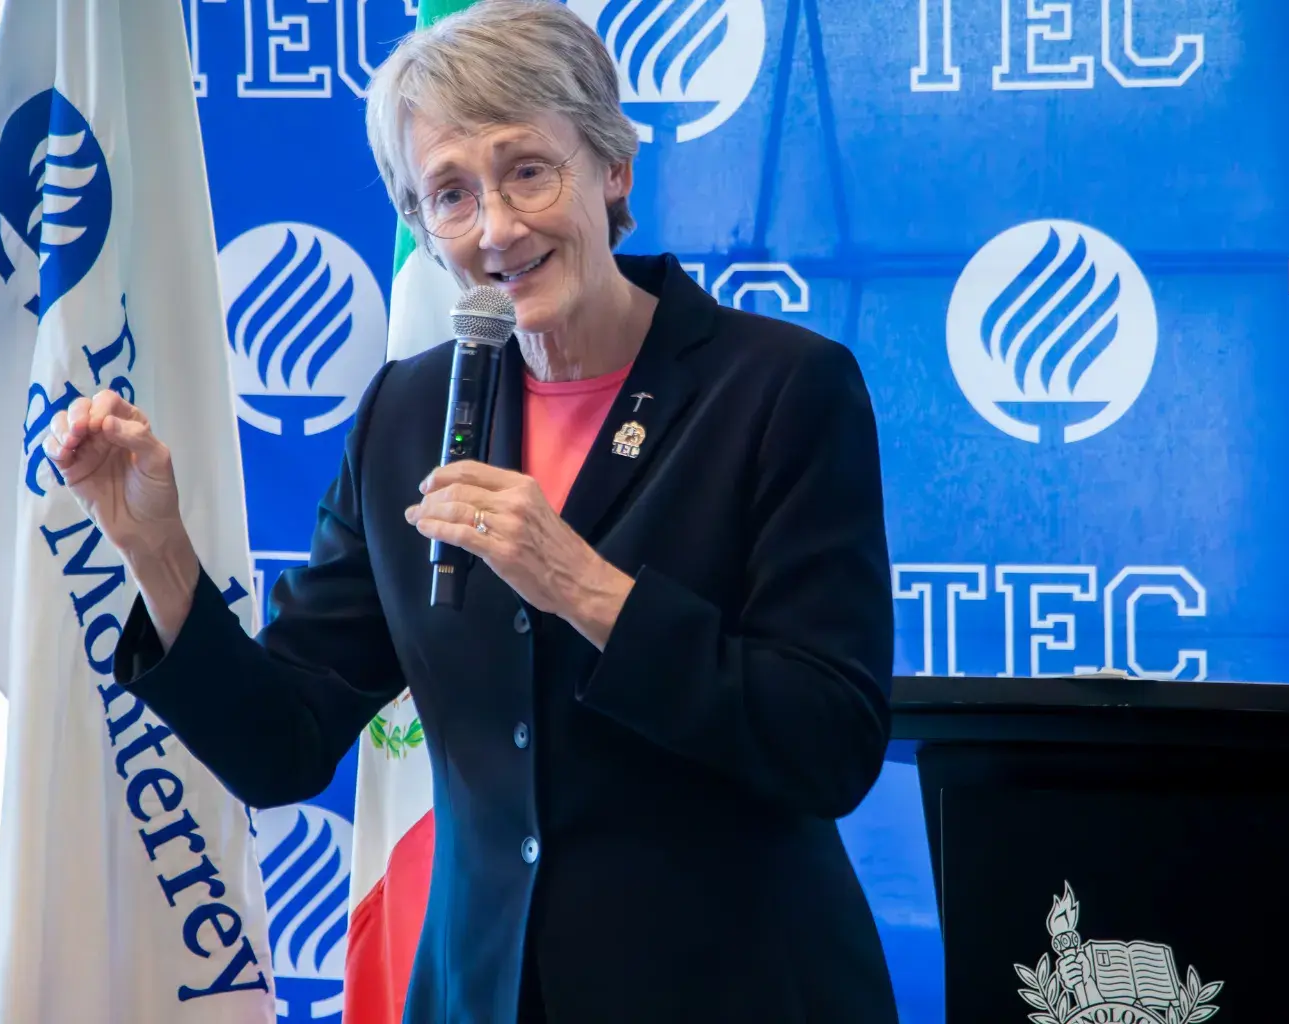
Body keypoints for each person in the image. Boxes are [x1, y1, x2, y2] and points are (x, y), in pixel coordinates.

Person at [44, 1, 897, 1019]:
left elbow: (829, 742)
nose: (496, 227)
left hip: (738, 987)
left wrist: (580, 583)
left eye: (527, 169)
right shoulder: (407, 413)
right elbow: (285, 742)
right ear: (421, 226)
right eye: (450, 193)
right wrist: (159, 553)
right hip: (485, 994)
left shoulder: (781, 389)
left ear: (612, 168)